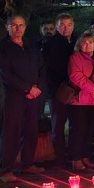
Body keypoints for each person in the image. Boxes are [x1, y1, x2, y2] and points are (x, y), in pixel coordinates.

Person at [0, 14, 46, 182]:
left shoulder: (31, 45)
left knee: (31, 129)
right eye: (14, 25)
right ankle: (6, 168)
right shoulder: (2, 48)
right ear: (7, 27)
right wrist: (27, 88)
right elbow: (5, 74)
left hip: (34, 95)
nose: (18, 28)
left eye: (21, 25)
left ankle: (28, 163)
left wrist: (37, 87)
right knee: (11, 131)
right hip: (14, 95)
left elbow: (42, 68)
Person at [67, 31, 94, 171]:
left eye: (90, 42)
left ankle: (85, 155)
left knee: (90, 130)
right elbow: (76, 76)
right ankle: (75, 158)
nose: (87, 45)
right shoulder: (75, 57)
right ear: (79, 45)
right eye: (84, 42)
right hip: (80, 100)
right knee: (78, 130)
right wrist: (93, 89)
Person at [42, 13, 76, 163]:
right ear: (56, 27)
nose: (65, 28)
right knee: (58, 123)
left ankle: (74, 151)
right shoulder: (51, 45)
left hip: (75, 89)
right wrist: (54, 89)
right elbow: (47, 70)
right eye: (62, 25)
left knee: (75, 122)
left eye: (69, 25)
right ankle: (60, 154)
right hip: (58, 90)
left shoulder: (76, 42)